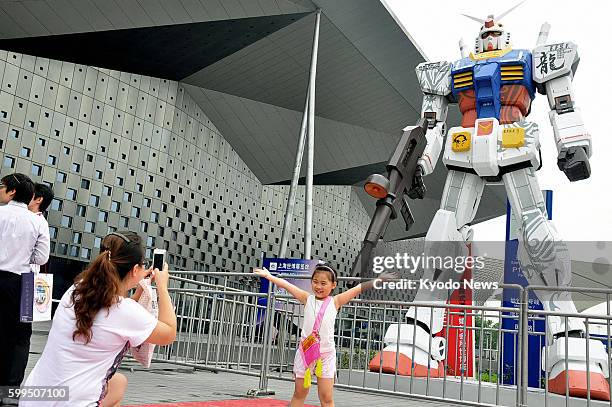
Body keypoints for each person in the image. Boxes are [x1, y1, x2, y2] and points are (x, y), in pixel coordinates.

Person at [21, 231, 177, 407]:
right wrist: (163, 288)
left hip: (35, 397)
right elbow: (169, 333)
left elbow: (112, 317)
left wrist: (139, 290)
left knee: (118, 383)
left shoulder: (77, 290)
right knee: (116, 384)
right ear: (134, 270)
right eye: (143, 264)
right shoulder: (124, 311)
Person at [253, 263, 391, 407]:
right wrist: (269, 276)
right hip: (305, 353)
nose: (318, 286)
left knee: (326, 397)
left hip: (326, 356)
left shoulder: (336, 301)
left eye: (323, 283)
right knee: (299, 394)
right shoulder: (307, 298)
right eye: (315, 282)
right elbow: (288, 286)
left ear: (333, 285)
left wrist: (379, 280)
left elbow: (358, 288)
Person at [0, 173, 50, 405]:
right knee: (20, 338)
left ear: (12, 191)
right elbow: (42, 257)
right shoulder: (38, 221)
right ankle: (9, 391)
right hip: (23, 282)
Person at [28, 183, 54, 274]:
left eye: (30, 194)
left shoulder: (41, 223)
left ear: (38, 199)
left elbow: (42, 257)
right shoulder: (42, 223)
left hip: (27, 275)